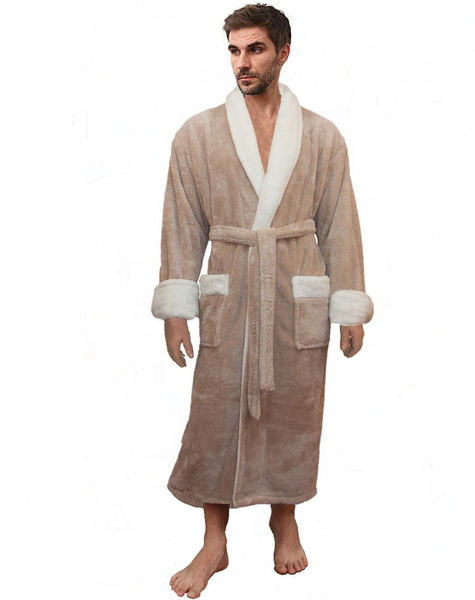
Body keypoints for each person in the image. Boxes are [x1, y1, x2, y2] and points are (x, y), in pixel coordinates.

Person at [151, 3, 374, 597]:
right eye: (234, 50)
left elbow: (340, 224)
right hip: (231, 286)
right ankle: (214, 540)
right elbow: (181, 224)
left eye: (254, 49)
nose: (241, 63)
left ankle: (284, 519)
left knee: (294, 409)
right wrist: (177, 307)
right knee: (215, 412)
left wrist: (348, 302)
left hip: (295, 286)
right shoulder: (197, 134)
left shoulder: (322, 136)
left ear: (283, 52)